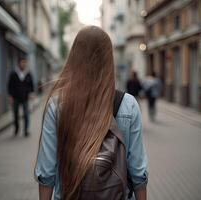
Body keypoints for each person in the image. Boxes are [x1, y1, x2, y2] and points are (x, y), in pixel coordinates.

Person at [35, 26, 148, 200]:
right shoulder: (128, 105)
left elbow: (46, 172)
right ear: (109, 60)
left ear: (74, 58)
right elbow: (138, 172)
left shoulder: (57, 105)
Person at [8, 58, 34, 137]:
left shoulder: (28, 74)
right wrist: (10, 96)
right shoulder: (13, 74)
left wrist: (31, 93)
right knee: (15, 114)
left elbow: (31, 85)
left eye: (24, 63)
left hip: (25, 97)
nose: (23, 64)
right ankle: (16, 128)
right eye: (22, 63)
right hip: (15, 97)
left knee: (26, 114)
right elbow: (10, 86)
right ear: (18, 64)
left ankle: (26, 130)